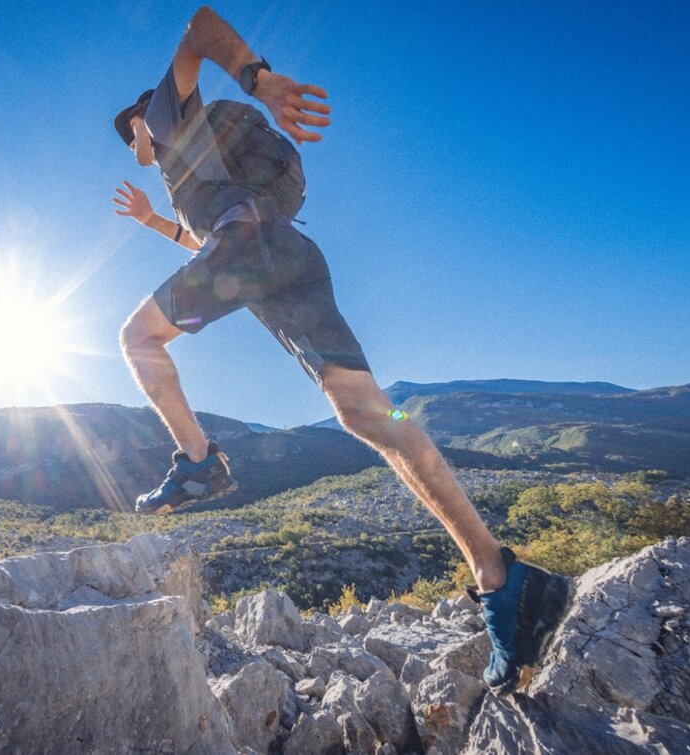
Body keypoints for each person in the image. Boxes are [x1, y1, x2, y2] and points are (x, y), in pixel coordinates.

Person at [110, 5, 569, 693]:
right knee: (366, 411)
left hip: (247, 245)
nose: (134, 144)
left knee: (136, 339)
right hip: (282, 250)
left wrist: (255, 77)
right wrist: (155, 221)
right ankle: (501, 577)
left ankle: (198, 462)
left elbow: (198, 23)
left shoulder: (172, 121)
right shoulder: (199, 164)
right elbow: (210, 249)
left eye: (132, 132)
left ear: (146, 120)